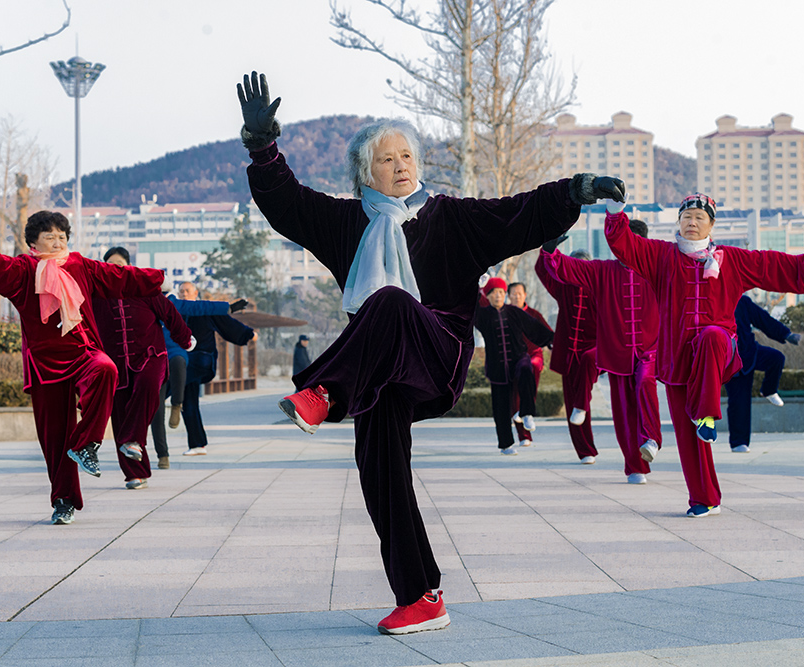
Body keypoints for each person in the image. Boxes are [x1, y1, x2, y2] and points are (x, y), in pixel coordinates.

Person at [238, 70, 624, 634]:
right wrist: (261, 148)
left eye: (406, 156)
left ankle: (323, 392)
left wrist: (575, 190)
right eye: (386, 159)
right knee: (381, 477)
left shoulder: (451, 218)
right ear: (364, 174)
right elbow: (288, 203)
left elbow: (516, 213)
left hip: (437, 351)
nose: (400, 166)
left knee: (390, 300)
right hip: (377, 371)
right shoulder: (346, 223)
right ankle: (422, 596)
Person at [604, 193, 804, 517]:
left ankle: (706, 413)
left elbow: (769, 263)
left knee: (711, 335)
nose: (692, 222)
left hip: (719, 351)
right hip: (677, 360)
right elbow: (626, 245)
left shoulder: (730, 259)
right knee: (688, 439)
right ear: (678, 222)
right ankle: (704, 499)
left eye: (699, 217)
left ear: (711, 224)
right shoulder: (660, 256)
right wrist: (615, 212)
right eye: (687, 217)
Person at [0, 211, 164, 525]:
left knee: (106, 368)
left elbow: (120, 276)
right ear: (33, 242)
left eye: (62, 237)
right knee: (55, 439)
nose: (57, 242)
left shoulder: (81, 265)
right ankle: (63, 502)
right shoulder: (24, 270)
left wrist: (156, 277)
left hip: (84, 352)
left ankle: (87, 444)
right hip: (45, 364)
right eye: (50, 237)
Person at [536, 219, 662, 484]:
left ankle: (652, 437)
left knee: (645, 382)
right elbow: (566, 268)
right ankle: (635, 467)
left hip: (650, 348)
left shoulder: (658, 269)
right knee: (624, 413)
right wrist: (549, 250)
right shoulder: (603, 270)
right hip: (617, 353)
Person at [92, 247, 197, 489]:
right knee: (120, 416)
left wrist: (185, 339)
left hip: (151, 356)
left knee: (149, 387)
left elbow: (170, 315)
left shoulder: (145, 290)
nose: (115, 269)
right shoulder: (96, 296)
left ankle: (133, 439)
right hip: (115, 365)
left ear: (129, 267)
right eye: (110, 265)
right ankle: (135, 474)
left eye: (120, 264)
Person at [148, 284, 233, 468]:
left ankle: (177, 405)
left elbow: (201, 307)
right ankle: (163, 455)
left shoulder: (174, 303)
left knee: (180, 365)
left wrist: (228, 307)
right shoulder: (145, 304)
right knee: (156, 407)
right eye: (182, 291)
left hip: (178, 353)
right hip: (156, 358)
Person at [475, 277, 553, 455]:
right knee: (501, 407)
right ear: (488, 296)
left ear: (505, 295)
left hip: (519, 359)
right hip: (497, 367)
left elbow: (534, 327)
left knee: (526, 370)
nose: (498, 296)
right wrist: (478, 288)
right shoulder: (482, 315)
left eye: (501, 292)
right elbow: (469, 308)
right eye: (494, 293)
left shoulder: (514, 312)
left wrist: (551, 339)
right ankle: (506, 444)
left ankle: (527, 413)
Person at [537, 247, 601, 464]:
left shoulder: (600, 286)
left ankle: (582, 405)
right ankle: (585, 451)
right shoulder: (563, 286)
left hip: (596, 350)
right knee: (572, 403)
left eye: (583, 265)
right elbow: (543, 272)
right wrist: (546, 250)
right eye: (575, 265)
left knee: (587, 367)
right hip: (568, 353)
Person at [178, 281, 257, 456]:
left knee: (172, 390)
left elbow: (226, 323)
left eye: (187, 291)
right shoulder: (174, 312)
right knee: (188, 401)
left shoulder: (203, 309)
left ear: (195, 293)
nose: (184, 294)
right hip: (184, 364)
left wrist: (248, 334)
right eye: (181, 291)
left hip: (202, 360)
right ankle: (197, 445)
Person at [723, 294, 802, 454]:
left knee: (776, 358)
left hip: (749, 351)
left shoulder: (741, 301)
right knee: (739, 401)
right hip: (729, 359)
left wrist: (786, 334)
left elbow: (762, 319)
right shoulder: (711, 301)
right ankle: (739, 442)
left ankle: (769, 390)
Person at [506, 282, 551, 447]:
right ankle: (524, 436)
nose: (516, 296)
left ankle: (528, 414)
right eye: (513, 293)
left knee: (531, 368)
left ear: (525, 295)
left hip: (533, 355)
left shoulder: (534, 314)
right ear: (508, 296)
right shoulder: (503, 314)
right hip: (512, 358)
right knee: (514, 395)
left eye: (519, 293)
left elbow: (547, 334)